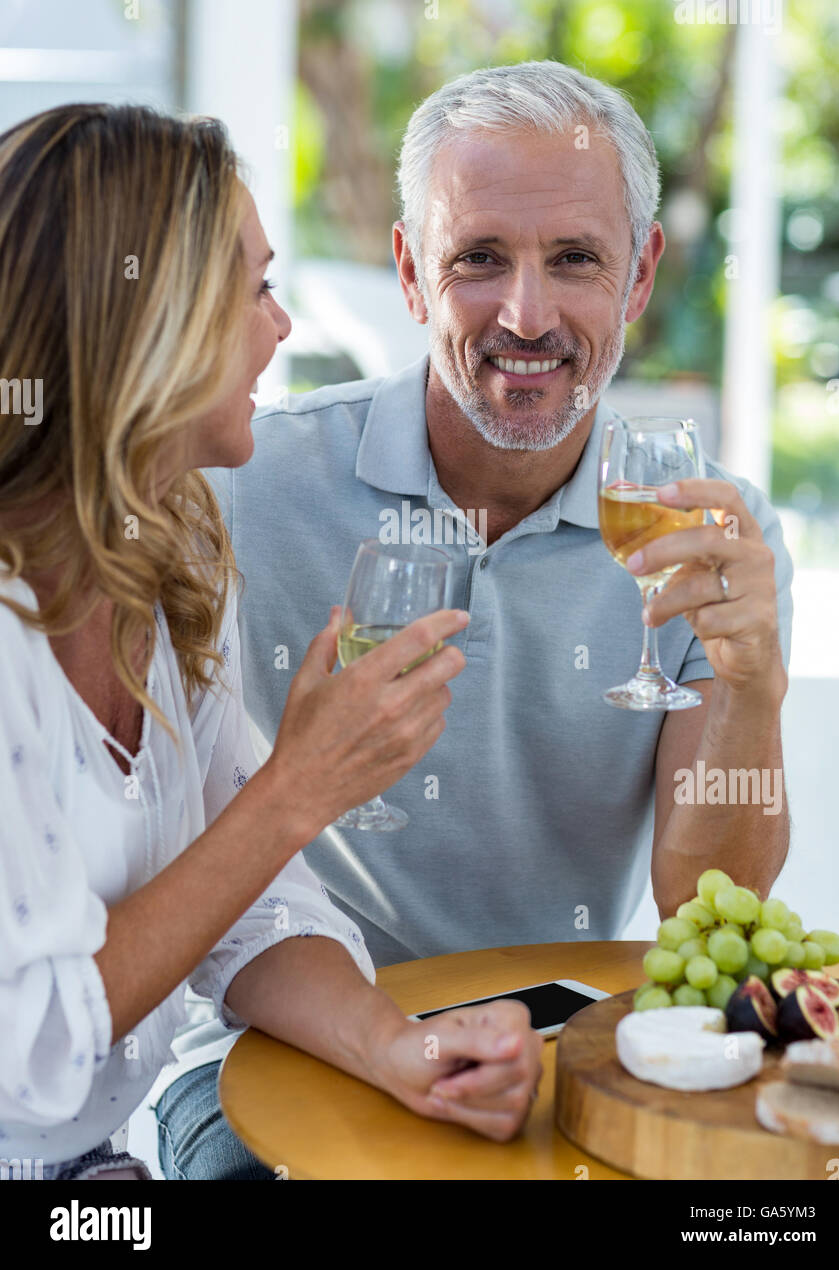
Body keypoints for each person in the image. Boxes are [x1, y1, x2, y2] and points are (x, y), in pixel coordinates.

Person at [155, 59, 794, 1179]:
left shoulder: (704, 535)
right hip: (266, 1042)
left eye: (575, 261)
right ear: (409, 271)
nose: (526, 315)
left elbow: (700, 905)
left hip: (547, 1041)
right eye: (479, 259)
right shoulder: (239, 491)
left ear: (639, 275)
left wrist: (749, 685)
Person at [0, 102, 543, 1182]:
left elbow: (250, 905)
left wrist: (401, 1047)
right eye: (253, 288)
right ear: (147, 320)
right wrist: (298, 787)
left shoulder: (170, 563)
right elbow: (37, 1057)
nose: (282, 325)